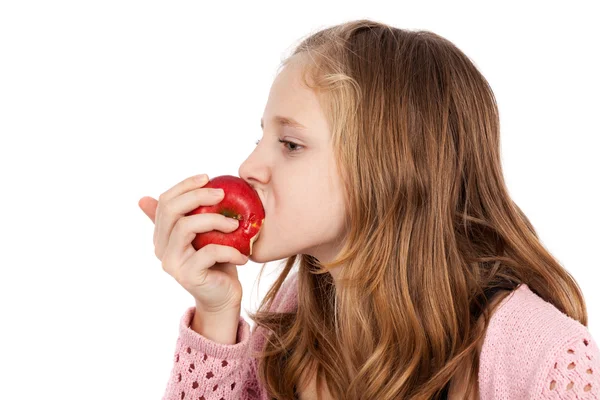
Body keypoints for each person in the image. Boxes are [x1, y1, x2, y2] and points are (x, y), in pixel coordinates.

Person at [139, 19, 600, 400]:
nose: (249, 166)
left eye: (290, 144)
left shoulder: (543, 359)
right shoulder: (299, 316)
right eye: (260, 138)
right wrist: (216, 312)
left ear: (391, 167)